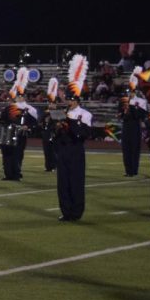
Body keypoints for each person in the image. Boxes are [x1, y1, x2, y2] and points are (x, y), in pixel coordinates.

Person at [53, 55, 92, 222]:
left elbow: (83, 134)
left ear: (77, 99)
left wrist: (69, 122)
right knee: (63, 183)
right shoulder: (64, 113)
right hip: (63, 151)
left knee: (76, 182)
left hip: (76, 151)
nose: (68, 101)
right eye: (67, 98)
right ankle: (66, 211)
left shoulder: (85, 114)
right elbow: (55, 136)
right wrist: (57, 127)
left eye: (70, 99)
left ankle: (76, 212)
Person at [0, 68, 37, 181]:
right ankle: (8, 174)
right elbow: (1, 120)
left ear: (25, 96)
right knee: (7, 155)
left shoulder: (30, 109)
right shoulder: (9, 108)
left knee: (17, 155)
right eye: (19, 95)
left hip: (20, 134)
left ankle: (16, 173)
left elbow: (34, 123)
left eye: (22, 95)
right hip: (8, 134)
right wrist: (0, 120)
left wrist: (27, 127)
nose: (20, 97)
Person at [118, 80, 148, 177]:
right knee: (126, 149)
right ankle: (128, 170)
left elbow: (142, 115)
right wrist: (123, 113)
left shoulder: (141, 101)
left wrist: (132, 106)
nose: (129, 93)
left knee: (134, 149)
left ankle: (134, 170)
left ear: (134, 91)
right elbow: (119, 114)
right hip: (126, 126)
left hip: (135, 126)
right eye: (128, 91)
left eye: (131, 91)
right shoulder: (123, 101)